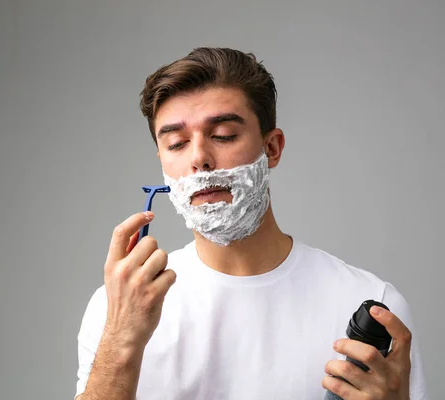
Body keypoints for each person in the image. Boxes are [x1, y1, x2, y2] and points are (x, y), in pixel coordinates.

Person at [74, 47, 427, 399]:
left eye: (224, 135)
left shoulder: (374, 306)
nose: (199, 158)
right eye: (177, 143)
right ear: (162, 164)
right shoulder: (115, 309)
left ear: (271, 148)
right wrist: (120, 342)